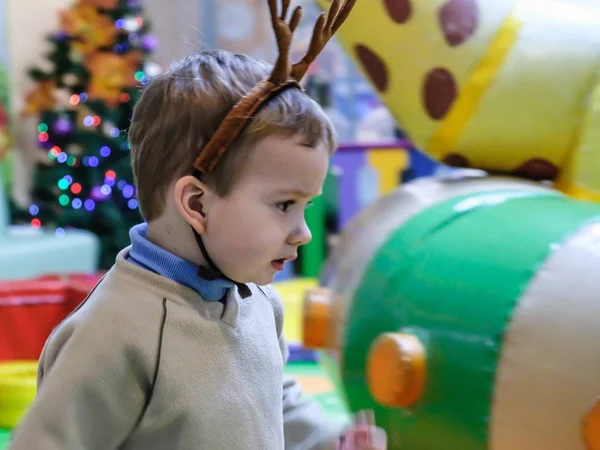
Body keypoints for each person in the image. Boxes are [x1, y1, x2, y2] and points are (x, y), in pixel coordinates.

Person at [8, 1, 387, 449]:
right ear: (196, 204)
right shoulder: (113, 336)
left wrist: (329, 442)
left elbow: (276, 398)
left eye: (305, 205)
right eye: (285, 204)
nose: (302, 232)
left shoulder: (260, 301)